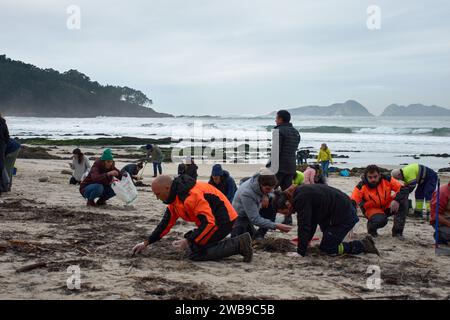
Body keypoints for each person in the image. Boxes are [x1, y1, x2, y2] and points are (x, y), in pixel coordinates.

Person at [131, 175, 253, 262]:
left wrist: (188, 241)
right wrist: (146, 243)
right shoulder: (174, 199)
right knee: (194, 245)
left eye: (157, 194)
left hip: (224, 220)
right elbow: (164, 225)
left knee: (196, 253)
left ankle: (240, 244)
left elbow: (209, 223)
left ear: (167, 188)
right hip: (212, 221)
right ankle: (236, 243)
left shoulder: (190, 197)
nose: (157, 198)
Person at [274, 184, 379, 257]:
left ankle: (363, 245)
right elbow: (312, 221)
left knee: (328, 248)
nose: (287, 215)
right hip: (333, 214)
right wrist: (306, 242)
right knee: (327, 240)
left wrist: (300, 252)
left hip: (344, 217)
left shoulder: (300, 199)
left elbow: (304, 225)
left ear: (287, 204)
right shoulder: (299, 192)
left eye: (284, 212)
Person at [351, 165, 409, 239]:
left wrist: (396, 200)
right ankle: (371, 229)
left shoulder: (387, 179)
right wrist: (350, 225)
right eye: (370, 177)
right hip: (371, 209)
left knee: (403, 202)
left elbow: (403, 189)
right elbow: (352, 203)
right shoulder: (361, 186)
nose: (373, 179)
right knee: (381, 220)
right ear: (366, 177)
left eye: (375, 176)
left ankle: (397, 232)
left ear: (379, 175)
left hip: (387, 205)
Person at [231, 169, 292, 239]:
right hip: (240, 215)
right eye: (267, 189)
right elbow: (255, 219)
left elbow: (263, 169)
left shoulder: (262, 178)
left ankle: (260, 234)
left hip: (257, 207)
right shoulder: (247, 193)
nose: (270, 191)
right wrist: (276, 226)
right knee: (238, 238)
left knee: (272, 205)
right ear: (260, 184)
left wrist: (265, 195)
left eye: (272, 188)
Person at [267, 110, 301, 191]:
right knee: (287, 193)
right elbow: (294, 149)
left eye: (276, 118)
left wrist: (269, 165)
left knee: (269, 190)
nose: (275, 120)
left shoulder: (278, 131)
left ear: (280, 119)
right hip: (291, 167)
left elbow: (276, 151)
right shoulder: (296, 132)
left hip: (279, 168)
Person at [0, 113, 10, 194]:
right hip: (1, 145)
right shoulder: (2, 122)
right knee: (1, 165)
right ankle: (4, 186)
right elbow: (7, 136)